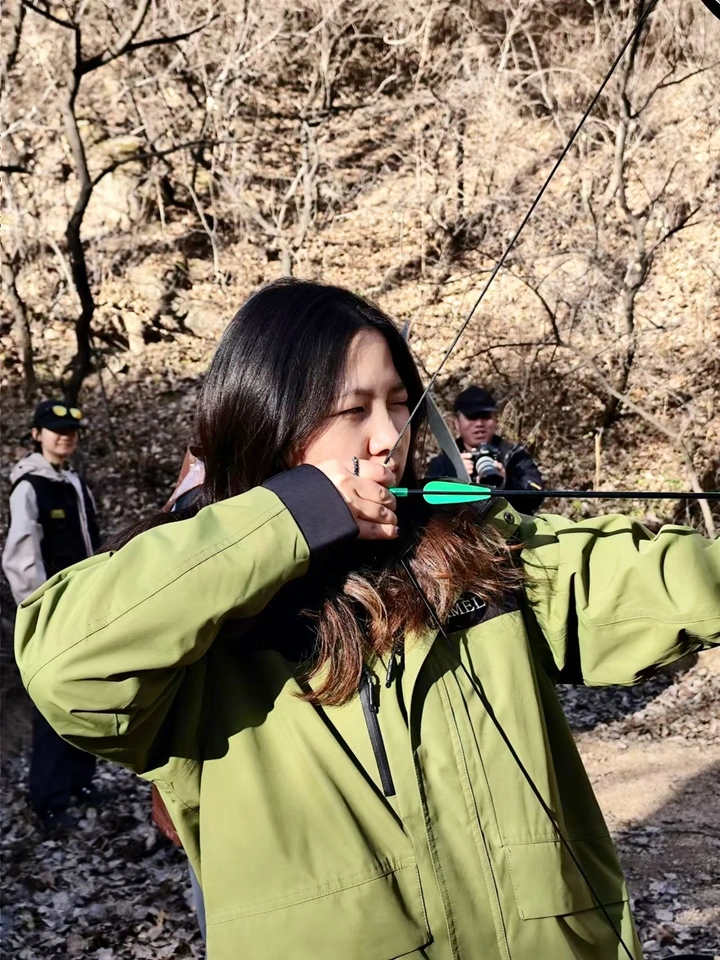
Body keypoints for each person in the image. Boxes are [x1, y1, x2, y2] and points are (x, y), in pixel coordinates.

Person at [13, 280, 719, 960]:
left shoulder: (475, 548)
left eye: (401, 405)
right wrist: (290, 516)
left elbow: (662, 579)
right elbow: (64, 663)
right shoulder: (205, 607)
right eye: (354, 410)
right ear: (267, 419)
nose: (389, 437)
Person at [3, 400, 101, 833]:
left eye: (70, 430)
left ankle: (81, 781)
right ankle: (48, 801)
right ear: (36, 435)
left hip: (86, 610)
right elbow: (20, 558)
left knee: (86, 698)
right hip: (53, 615)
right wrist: (40, 611)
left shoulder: (74, 482)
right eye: (54, 429)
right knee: (51, 705)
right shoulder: (29, 486)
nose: (64, 436)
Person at [426, 385, 545, 513]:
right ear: (457, 422)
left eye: (486, 416)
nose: (479, 424)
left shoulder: (513, 456)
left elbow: (537, 495)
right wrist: (452, 477)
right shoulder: (444, 462)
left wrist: (506, 483)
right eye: (472, 417)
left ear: (496, 420)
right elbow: (427, 503)